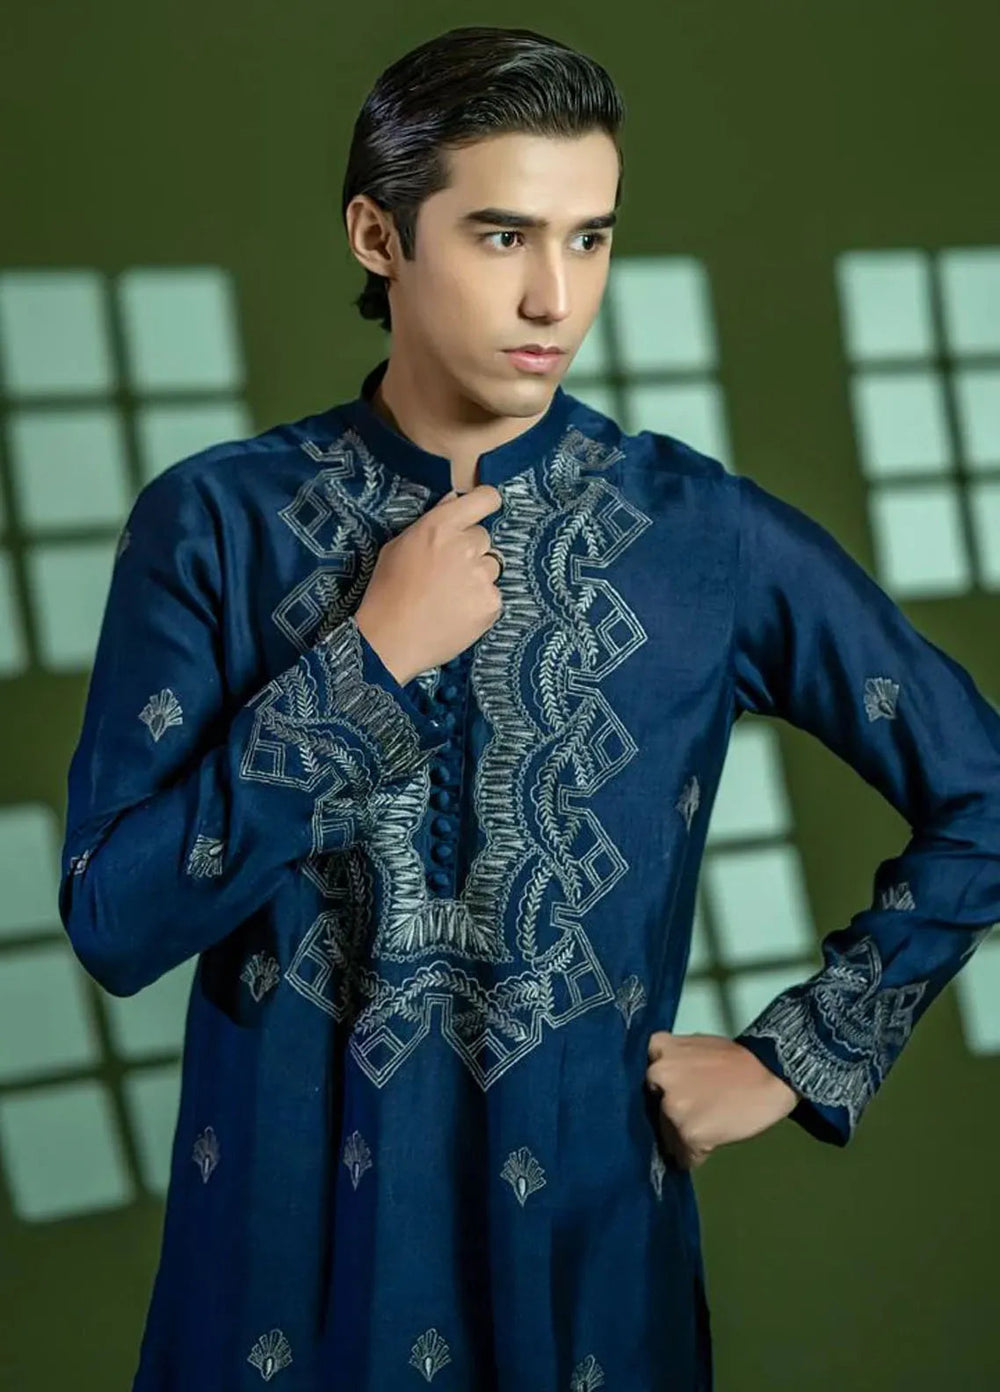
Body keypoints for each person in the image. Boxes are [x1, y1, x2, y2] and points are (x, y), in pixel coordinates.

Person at [58, 24, 1000, 1392]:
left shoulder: (701, 536)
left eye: (591, 239)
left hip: (586, 1289)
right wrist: (368, 660)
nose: (556, 297)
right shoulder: (214, 524)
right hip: (276, 1288)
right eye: (503, 236)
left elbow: (984, 793)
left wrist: (796, 1057)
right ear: (378, 235)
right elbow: (112, 919)